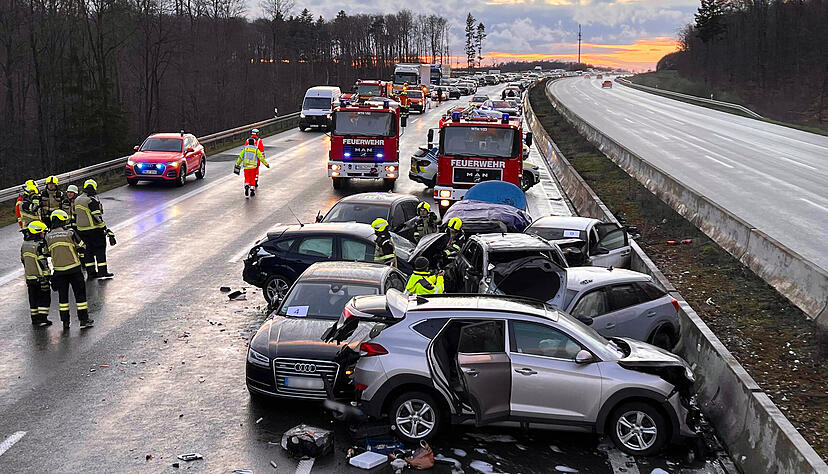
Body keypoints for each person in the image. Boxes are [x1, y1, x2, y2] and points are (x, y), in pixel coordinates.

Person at [45, 210, 93, 329]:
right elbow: (82, 246)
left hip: (59, 271)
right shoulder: (70, 233)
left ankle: (65, 322)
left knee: (63, 298)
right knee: (80, 296)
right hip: (74, 269)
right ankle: (83, 320)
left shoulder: (47, 236)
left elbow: (46, 252)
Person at [75, 179, 116, 279]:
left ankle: (91, 273)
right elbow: (97, 216)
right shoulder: (91, 200)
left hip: (81, 230)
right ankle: (102, 272)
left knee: (87, 252)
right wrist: (104, 228)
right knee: (100, 250)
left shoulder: (77, 199)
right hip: (94, 230)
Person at [21, 220, 53, 327]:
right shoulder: (39, 245)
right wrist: (47, 276)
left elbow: (23, 260)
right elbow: (43, 262)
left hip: (30, 277)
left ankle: (34, 318)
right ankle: (43, 318)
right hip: (40, 277)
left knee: (33, 298)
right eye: (43, 232)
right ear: (37, 232)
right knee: (44, 297)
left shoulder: (24, 245)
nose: (44, 234)